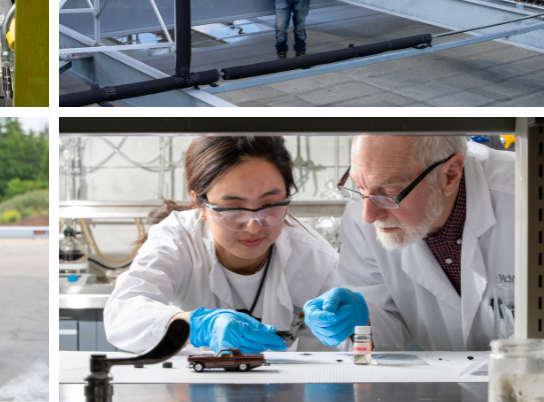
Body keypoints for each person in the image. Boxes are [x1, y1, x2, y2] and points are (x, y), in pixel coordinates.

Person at [103, 136, 340, 355]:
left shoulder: (315, 259)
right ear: (200, 204)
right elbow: (123, 314)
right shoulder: (177, 238)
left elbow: (326, 364)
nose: (253, 227)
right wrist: (197, 326)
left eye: (270, 204)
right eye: (233, 208)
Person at [302, 136, 515, 352]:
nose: (369, 215)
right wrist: (360, 322)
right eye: (359, 185)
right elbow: (388, 330)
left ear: (450, 175)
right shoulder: (360, 214)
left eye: (390, 192)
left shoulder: (525, 197)